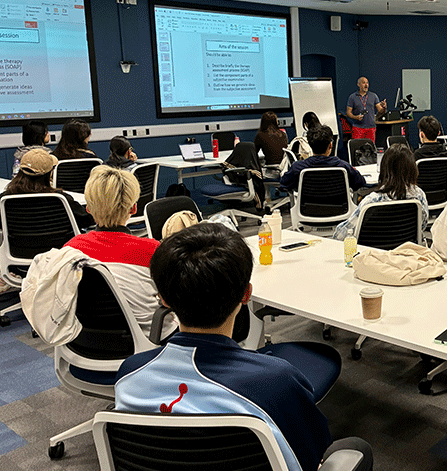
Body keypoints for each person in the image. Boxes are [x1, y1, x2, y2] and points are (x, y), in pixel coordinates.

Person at [114, 224, 373, 471]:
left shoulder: (129, 374)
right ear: (247, 295)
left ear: (164, 299)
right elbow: (310, 457)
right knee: (355, 448)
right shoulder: (276, 382)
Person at [64, 165, 177, 338]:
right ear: (133, 209)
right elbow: (171, 300)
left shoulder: (70, 249)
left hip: (86, 340)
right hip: (146, 339)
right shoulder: (152, 250)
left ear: (89, 209)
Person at [333, 145, 428, 239]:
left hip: (374, 252)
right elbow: (422, 226)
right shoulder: (419, 196)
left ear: (384, 168)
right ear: (413, 169)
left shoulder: (372, 201)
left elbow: (341, 235)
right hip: (407, 250)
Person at [1, 149, 93, 230]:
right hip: (61, 248)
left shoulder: (5, 200)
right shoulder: (61, 199)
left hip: (17, 249)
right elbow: (86, 220)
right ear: (49, 174)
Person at [279, 124, 366, 191]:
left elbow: (284, 184)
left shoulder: (297, 167)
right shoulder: (343, 166)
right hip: (340, 212)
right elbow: (360, 182)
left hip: (307, 212)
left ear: (309, 145)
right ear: (330, 145)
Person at [345, 77, 386, 143]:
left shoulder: (373, 96)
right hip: (358, 128)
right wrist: (356, 117)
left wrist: (384, 108)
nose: (366, 85)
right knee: (357, 148)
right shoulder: (352, 97)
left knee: (370, 149)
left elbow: (380, 111)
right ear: (358, 84)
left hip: (371, 128)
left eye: (367, 83)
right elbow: (348, 113)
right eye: (363, 83)